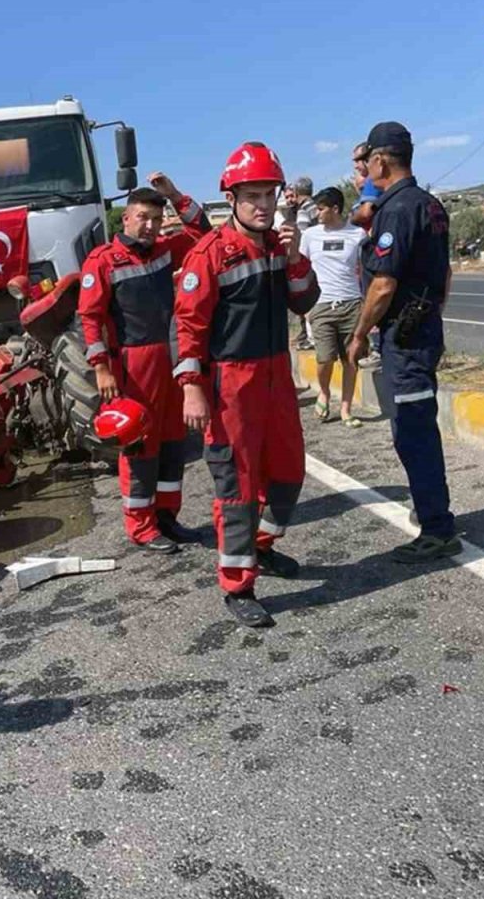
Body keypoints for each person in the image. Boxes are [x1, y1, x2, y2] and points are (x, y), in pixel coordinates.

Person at [175, 142, 320, 628]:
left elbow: (304, 302)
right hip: (231, 385)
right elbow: (189, 327)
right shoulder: (209, 255)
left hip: (277, 375)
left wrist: (296, 255)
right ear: (232, 199)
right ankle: (238, 584)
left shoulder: (279, 248)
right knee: (238, 487)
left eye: (269, 194)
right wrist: (192, 386)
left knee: (288, 473)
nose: (262, 204)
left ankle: (259, 548)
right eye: (252, 195)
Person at [347, 122, 461, 563]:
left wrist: (359, 335)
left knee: (413, 432)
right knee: (417, 426)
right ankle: (431, 510)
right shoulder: (429, 204)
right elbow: (445, 274)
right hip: (425, 329)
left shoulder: (394, 211)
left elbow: (382, 284)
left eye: (367, 161)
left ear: (380, 161)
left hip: (406, 338)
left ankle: (437, 528)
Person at [79, 174, 211, 553]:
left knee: (174, 442)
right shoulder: (102, 261)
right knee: (139, 445)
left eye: (156, 218)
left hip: (172, 359)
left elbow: (201, 230)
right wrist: (101, 367)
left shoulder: (166, 250)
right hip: (134, 366)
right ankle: (141, 526)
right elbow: (89, 317)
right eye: (143, 217)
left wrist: (174, 194)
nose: (150, 226)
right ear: (126, 219)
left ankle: (168, 517)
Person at [300, 187, 368, 427]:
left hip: (351, 304)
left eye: (320, 209)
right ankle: (324, 392)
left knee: (350, 359)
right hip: (321, 305)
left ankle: (347, 409)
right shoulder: (310, 236)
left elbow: (366, 271)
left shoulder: (357, 235)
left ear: (335, 209)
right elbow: (301, 270)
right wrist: (305, 307)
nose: (317, 214)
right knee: (324, 358)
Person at [349, 142, 382, 366]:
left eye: (359, 159)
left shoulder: (372, 182)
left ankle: (377, 349)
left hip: (376, 251)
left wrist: (352, 216)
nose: (356, 165)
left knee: (374, 295)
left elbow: (365, 212)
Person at [278, 176, 318, 351]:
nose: (289, 200)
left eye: (290, 196)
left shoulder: (303, 211)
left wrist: (294, 256)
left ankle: (312, 338)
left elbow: (301, 239)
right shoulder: (316, 207)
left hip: (307, 261)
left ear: (297, 193)